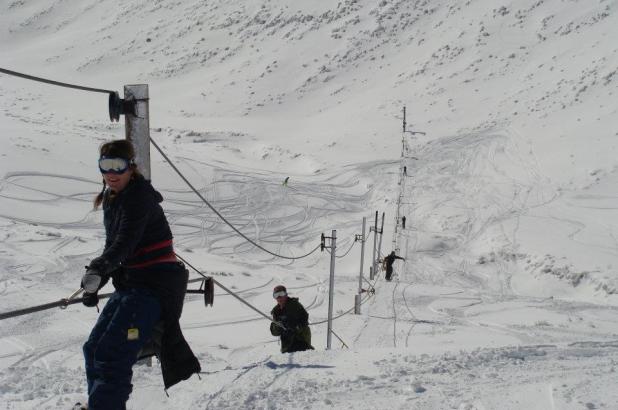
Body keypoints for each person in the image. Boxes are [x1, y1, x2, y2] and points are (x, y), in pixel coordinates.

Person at [79, 140, 200, 410]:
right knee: (93, 348)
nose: (111, 173)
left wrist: (100, 268)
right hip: (132, 285)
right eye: (105, 166)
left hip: (154, 286)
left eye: (117, 166)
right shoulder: (113, 198)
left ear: (130, 167)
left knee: (111, 353)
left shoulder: (138, 197)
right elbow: (115, 248)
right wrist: (96, 284)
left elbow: (125, 244)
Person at [269, 285, 314, 353]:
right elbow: (275, 332)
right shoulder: (276, 311)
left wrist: (295, 326)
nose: (279, 297)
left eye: (281, 294)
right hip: (287, 346)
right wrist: (277, 326)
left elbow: (304, 318)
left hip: (301, 341)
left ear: (286, 295)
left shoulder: (294, 305)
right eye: (276, 295)